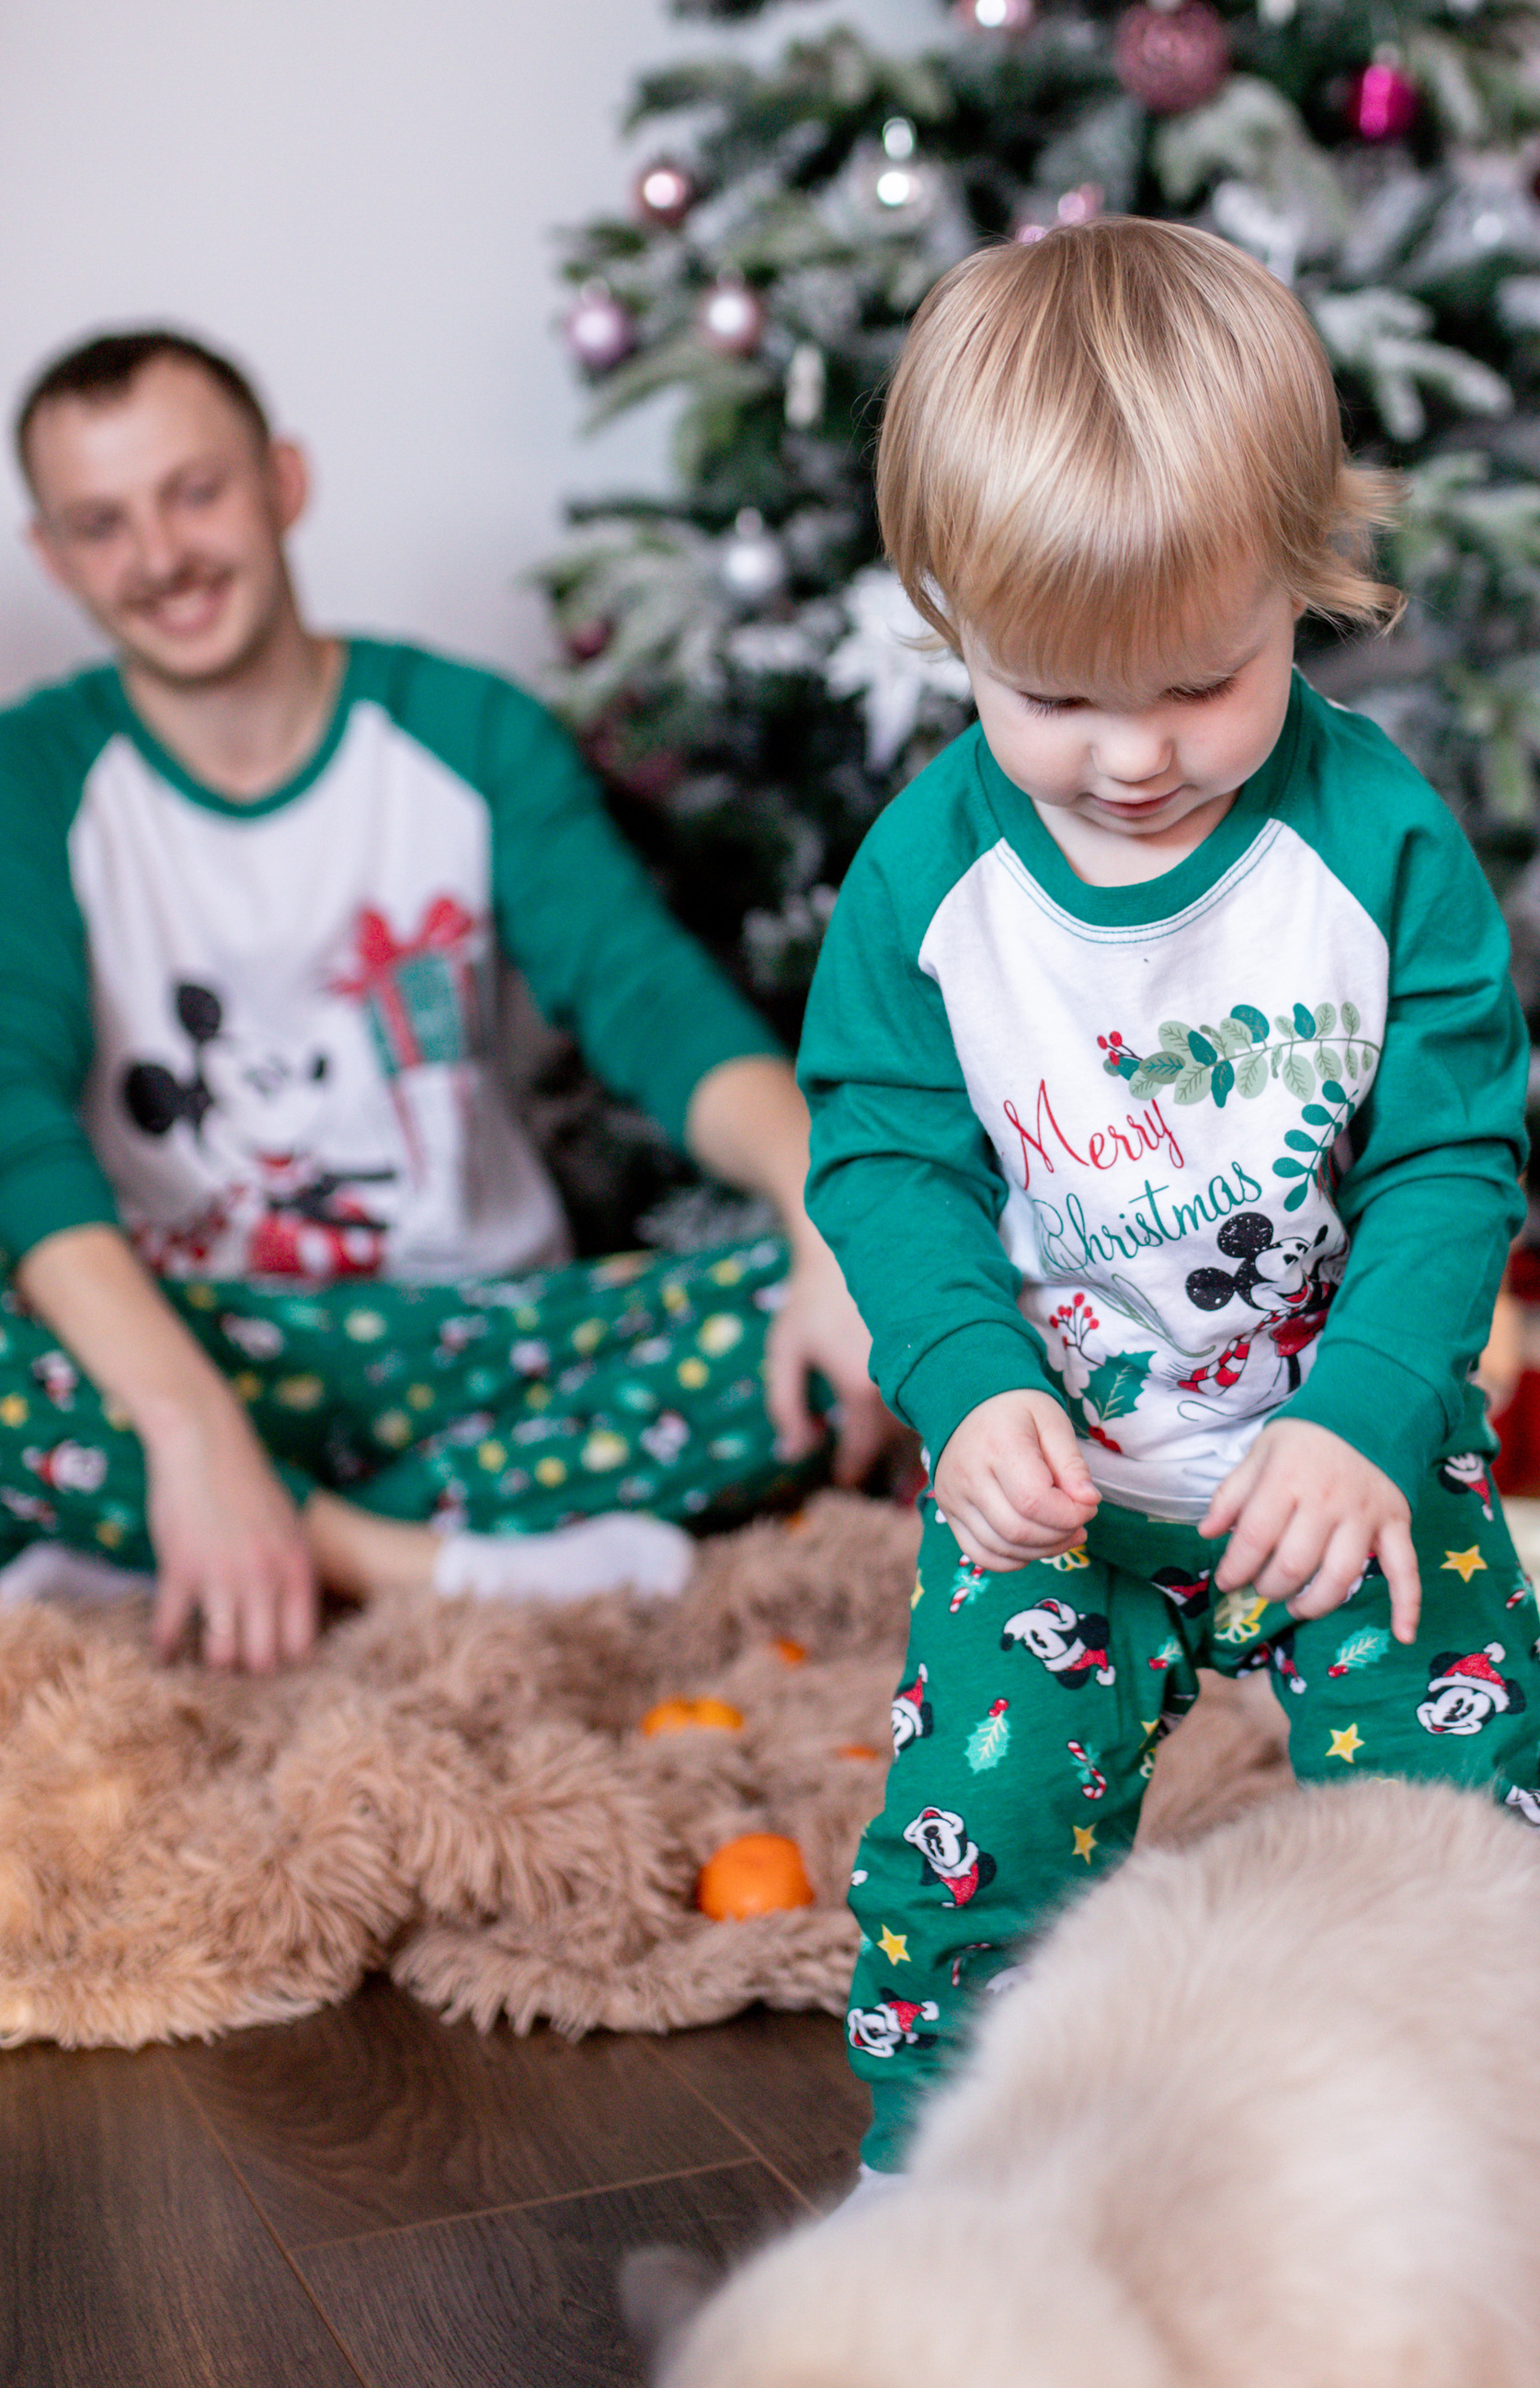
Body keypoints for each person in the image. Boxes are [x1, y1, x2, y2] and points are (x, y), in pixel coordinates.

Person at [798, 219, 1540, 2166]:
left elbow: (1444, 1160)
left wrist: (1362, 1421)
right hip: (1058, 1485)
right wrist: (968, 1388)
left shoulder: (1376, 849)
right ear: (947, 614)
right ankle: (956, 2206)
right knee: (968, 1870)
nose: (1135, 756)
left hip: (1340, 1458)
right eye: (1053, 698)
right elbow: (885, 1157)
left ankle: (1500, 2178)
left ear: (1296, 587)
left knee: (1455, 1830)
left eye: (1202, 682)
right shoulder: (926, 884)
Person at [0, 326, 888, 1672]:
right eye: (102, 524)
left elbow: (645, 997)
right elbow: (14, 1119)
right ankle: (415, 1563)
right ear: (52, 557)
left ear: (283, 482)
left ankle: (190, 1546)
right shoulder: (36, 778)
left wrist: (831, 1212)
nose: (162, 557)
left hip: (489, 1326)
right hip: (188, 1345)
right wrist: (190, 1433)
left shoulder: (464, 730)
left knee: (854, 1303)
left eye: (196, 492)